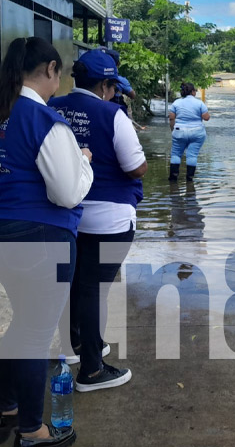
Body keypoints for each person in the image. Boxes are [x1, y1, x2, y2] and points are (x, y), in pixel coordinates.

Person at [0, 37, 93, 447]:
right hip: (41, 241)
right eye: (61, 75)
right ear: (51, 69)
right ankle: (34, 430)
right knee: (37, 333)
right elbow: (68, 193)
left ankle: (9, 404)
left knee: (18, 323)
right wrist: (83, 163)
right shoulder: (44, 121)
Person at [49, 49, 147, 392]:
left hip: (65, 214)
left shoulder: (51, 108)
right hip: (109, 218)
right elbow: (135, 166)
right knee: (94, 289)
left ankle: (76, 345)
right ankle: (91, 369)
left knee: (75, 282)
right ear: (106, 84)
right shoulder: (112, 114)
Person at [168, 82, 210, 182]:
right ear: (192, 92)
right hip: (197, 132)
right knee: (192, 155)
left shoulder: (176, 103)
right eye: (195, 90)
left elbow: (171, 118)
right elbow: (206, 117)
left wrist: (173, 130)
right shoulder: (199, 103)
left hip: (179, 131)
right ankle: (189, 179)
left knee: (176, 155)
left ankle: (173, 179)